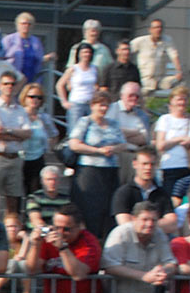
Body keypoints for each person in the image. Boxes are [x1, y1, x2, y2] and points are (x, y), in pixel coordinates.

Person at [68, 92, 127, 238]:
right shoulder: (85, 122)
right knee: (90, 209)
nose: (104, 108)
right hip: (89, 171)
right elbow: (74, 144)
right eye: (101, 105)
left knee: (108, 208)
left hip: (110, 171)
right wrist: (97, 151)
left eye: (106, 105)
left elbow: (123, 144)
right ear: (92, 105)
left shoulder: (113, 123)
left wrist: (113, 149)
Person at [0, 71, 32, 215]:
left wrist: (8, 131)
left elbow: (28, 133)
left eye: (12, 84)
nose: (9, 87)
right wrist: (18, 135)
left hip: (16, 157)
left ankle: (11, 225)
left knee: (14, 198)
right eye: (6, 83)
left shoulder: (20, 110)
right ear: (0, 86)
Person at [154, 86, 190, 193]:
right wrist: (179, 139)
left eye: (185, 99)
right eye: (179, 99)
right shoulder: (165, 119)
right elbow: (160, 145)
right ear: (172, 101)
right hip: (170, 166)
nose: (182, 102)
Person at [112, 146, 176, 234]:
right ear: (135, 164)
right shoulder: (123, 192)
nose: (148, 168)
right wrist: (155, 224)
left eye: (152, 164)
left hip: (156, 240)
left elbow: (172, 224)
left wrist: (142, 225)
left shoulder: (162, 193)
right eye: (144, 164)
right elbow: (125, 225)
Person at [106, 81, 153, 189]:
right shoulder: (111, 109)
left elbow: (144, 139)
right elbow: (110, 134)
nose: (134, 98)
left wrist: (121, 133)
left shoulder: (142, 115)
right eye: (131, 95)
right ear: (122, 95)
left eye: (137, 96)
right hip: (116, 155)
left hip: (134, 155)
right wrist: (135, 132)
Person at [18, 81, 59, 194]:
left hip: (37, 158)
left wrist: (48, 148)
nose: (35, 100)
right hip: (19, 158)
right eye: (31, 97)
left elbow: (54, 135)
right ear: (25, 97)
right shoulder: (18, 115)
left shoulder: (44, 118)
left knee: (35, 191)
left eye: (39, 97)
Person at [131, 18, 183, 95]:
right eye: (156, 27)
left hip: (160, 79)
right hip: (144, 79)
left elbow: (174, 55)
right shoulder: (140, 41)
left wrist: (179, 71)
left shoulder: (167, 40)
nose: (158, 30)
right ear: (150, 30)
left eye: (160, 27)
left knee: (178, 83)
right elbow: (127, 51)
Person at [56, 42, 100, 132]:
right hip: (76, 103)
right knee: (75, 131)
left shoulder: (94, 69)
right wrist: (64, 102)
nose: (87, 54)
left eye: (89, 52)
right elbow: (59, 85)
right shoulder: (73, 69)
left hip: (90, 104)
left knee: (91, 130)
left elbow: (97, 85)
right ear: (79, 54)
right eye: (84, 52)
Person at [2, 12, 51, 86]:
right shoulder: (8, 39)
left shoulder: (36, 41)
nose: (26, 26)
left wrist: (47, 58)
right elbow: (2, 58)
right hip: (13, 80)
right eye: (23, 23)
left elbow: (39, 60)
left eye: (29, 24)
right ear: (17, 25)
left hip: (32, 79)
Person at [25, 164, 70, 233]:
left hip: (59, 233)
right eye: (49, 179)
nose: (52, 182)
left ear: (59, 181)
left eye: (55, 179)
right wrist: (48, 230)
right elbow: (36, 220)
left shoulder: (66, 199)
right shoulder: (34, 198)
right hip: (39, 232)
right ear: (42, 181)